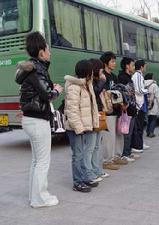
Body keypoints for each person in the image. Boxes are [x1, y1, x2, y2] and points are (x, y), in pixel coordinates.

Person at [15, 32, 63, 208]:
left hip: (31, 119)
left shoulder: (30, 69)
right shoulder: (38, 70)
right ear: (42, 52)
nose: (50, 52)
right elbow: (47, 95)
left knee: (37, 161)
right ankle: (40, 198)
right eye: (48, 49)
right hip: (38, 120)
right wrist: (57, 89)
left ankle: (35, 196)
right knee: (42, 161)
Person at [64, 60, 101, 192]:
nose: (92, 73)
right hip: (74, 128)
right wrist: (79, 128)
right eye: (90, 70)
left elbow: (92, 107)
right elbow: (72, 111)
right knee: (78, 155)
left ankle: (84, 178)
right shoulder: (74, 87)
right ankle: (77, 182)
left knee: (82, 154)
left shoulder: (87, 85)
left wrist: (93, 123)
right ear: (87, 72)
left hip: (83, 126)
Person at [100, 51, 126, 169]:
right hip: (107, 110)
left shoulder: (114, 77)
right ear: (106, 63)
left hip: (117, 109)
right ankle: (107, 161)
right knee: (108, 138)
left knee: (117, 135)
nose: (114, 63)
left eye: (115, 61)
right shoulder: (102, 76)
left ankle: (116, 156)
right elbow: (104, 94)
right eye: (112, 61)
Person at [89, 58, 110, 178]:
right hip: (94, 114)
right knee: (92, 146)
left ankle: (96, 169)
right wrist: (102, 81)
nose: (102, 71)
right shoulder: (91, 81)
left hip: (99, 113)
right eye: (101, 68)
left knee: (97, 145)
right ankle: (92, 170)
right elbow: (95, 92)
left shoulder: (96, 80)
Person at [117, 57, 138, 161]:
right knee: (126, 133)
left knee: (129, 133)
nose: (134, 67)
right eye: (132, 65)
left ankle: (128, 152)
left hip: (132, 108)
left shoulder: (128, 77)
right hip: (127, 109)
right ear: (127, 66)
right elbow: (123, 94)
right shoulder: (122, 78)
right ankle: (125, 154)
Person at [131, 59, 150, 150]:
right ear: (141, 67)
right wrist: (147, 91)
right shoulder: (137, 76)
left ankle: (140, 143)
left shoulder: (139, 76)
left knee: (141, 125)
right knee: (139, 126)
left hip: (141, 103)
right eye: (145, 66)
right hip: (139, 104)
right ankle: (138, 145)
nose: (145, 67)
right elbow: (138, 90)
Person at [144, 73, 159, 137]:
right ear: (151, 77)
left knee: (149, 119)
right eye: (153, 77)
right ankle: (151, 132)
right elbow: (158, 96)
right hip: (153, 104)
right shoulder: (154, 85)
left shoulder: (143, 84)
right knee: (153, 119)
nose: (154, 78)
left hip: (146, 103)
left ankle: (147, 131)